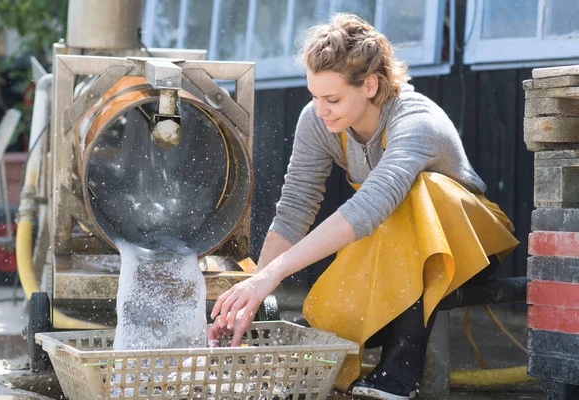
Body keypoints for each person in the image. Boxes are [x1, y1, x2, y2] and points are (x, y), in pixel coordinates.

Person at [209, 13, 519, 400]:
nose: (321, 110)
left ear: (370, 85)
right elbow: (295, 206)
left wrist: (271, 276)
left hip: (471, 245)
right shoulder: (316, 121)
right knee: (330, 315)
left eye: (333, 99)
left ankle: (399, 370)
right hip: (392, 242)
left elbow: (370, 206)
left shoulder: (417, 120)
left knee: (416, 191)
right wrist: (256, 288)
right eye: (314, 96)